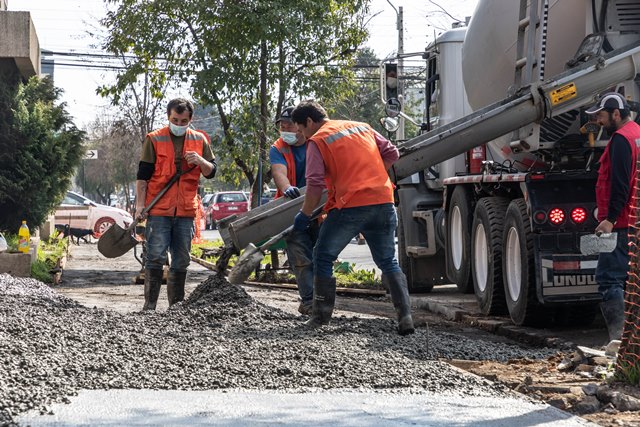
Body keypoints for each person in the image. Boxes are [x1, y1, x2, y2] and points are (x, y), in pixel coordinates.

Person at [290, 100, 414, 335]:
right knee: (388, 261)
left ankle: (320, 317)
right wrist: (372, 175)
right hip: (383, 200)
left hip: (351, 206)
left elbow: (314, 185)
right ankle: (405, 317)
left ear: (309, 121)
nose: (302, 135)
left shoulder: (318, 140)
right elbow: (392, 153)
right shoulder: (362, 127)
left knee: (323, 256)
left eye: (301, 129)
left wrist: (304, 215)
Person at [135, 98, 217, 310]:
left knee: (181, 260)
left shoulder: (200, 140)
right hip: (159, 209)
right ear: (168, 117)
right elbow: (142, 176)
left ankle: (176, 309)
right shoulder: (154, 139)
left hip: (186, 211)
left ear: (191, 120)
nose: (179, 124)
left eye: (183, 121)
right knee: (155, 258)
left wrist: (200, 160)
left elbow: (211, 171)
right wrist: (140, 206)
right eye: (175, 120)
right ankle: (149, 307)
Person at [585, 92, 640, 343]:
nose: (599, 121)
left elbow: (620, 184)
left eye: (602, 116)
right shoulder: (637, 133)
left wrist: (609, 219)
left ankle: (619, 342)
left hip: (620, 223)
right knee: (632, 281)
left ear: (616, 114)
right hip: (634, 220)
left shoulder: (620, 140)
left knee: (609, 279)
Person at [269, 106, 318, 315]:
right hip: (291, 209)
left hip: (319, 208)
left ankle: (322, 299)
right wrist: (286, 187)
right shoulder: (278, 147)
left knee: (321, 255)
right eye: (281, 125)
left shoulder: (316, 142)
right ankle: (309, 301)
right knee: (300, 256)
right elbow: (279, 172)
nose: (284, 129)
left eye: (288, 124)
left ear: (300, 125)